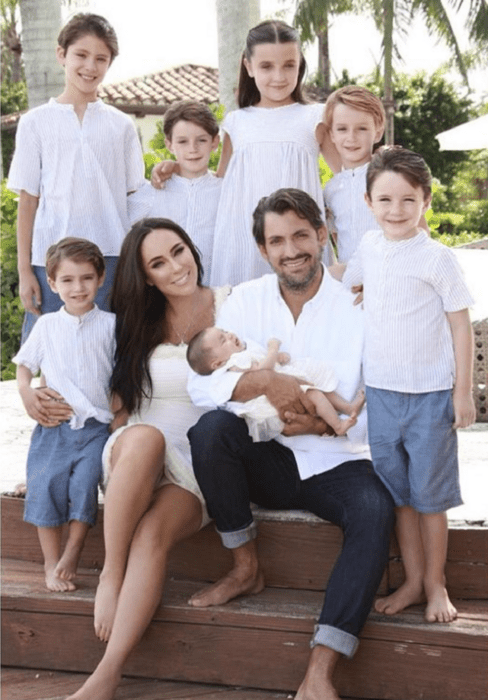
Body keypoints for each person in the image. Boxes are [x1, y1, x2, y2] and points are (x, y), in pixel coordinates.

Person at [187, 188, 395, 700]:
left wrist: (325, 426)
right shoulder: (245, 301)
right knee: (209, 431)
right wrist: (265, 386)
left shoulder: (359, 305)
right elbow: (201, 385)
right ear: (263, 249)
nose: (291, 249)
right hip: (269, 457)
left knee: (374, 511)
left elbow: (380, 397)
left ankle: (321, 671)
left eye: (301, 234)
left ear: (322, 235)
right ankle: (245, 567)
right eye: (277, 240)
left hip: (338, 458)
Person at [66, 218, 230, 700]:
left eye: (179, 251)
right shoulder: (135, 323)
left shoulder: (232, 303)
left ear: (192, 250)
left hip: (195, 466)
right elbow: (97, 388)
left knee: (154, 533)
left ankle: (107, 675)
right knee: (146, 438)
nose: (176, 267)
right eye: (158, 263)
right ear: (147, 277)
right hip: (136, 453)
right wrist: (34, 392)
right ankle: (111, 572)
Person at [342, 147, 476, 624]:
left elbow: (461, 326)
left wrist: (463, 393)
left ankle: (436, 583)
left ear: (426, 201)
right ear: (368, 201)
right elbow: (350, 281)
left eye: (407, 200)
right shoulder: (368, 247)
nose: (395, 210)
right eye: (385, 200)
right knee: (399, 496)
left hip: (430, 396)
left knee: (430, 498)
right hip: (381, 394)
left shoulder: (437, 258)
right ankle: (413, 581)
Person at [152, 19, 341, 286]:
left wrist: (382, 163)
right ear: (249, 66)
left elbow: (347, 176)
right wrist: (175, 167)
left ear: (300, 65)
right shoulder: (236, 122)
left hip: (298, 241)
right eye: (266, 66)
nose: (279, 76)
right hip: (242, 244)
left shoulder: (315, 117)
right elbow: (218, 183)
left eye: (289, 65)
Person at [7, 13, 145, 340]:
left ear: (110, 63)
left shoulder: (121, 125)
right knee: (48, 352)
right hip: (50, 262)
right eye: (81, 55)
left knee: (108, 353)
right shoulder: (35, 123)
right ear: (61, 55)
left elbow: (134, 197)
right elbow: (28, 201)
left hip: (110, 258)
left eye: (101, 59)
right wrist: (26, 271)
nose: (90, 66)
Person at [12, 238, 115, 592]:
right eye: (67, 280)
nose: (78, 287)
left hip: (96, 428)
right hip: (53, 426)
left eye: (86, 278)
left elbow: (120, 377)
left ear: (101, 279)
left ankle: (73, 552)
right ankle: (50, 562)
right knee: (45, 488)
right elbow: (24, 367)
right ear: (53, 284)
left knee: (84, 486)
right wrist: (26, 392)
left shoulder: (112, 326)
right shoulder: (47, 326)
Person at [187, 327, 365, 440]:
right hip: (276, 399)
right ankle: (338, 426)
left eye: (225, 332)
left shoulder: (243, 354)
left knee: (321, 387)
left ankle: (348, 408)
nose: (229, 335)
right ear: (217, 364)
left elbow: (263, 364)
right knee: (316, 395)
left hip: (285, 380)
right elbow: (264, 370)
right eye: (222, 340)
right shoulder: (235, 363)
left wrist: (277, 358)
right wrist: (274, 348)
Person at [127, 101, 222, 284]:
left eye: (201, 140)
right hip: (166, 295)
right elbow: (118, 225)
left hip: (214, 290)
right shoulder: (154, 191)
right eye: (183, 141)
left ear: (214, 142)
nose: (192, 149)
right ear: (169, 145)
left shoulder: (225, 191)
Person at [322, 85, 386, 263]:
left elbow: (420, 231)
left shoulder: (391, 176)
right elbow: (338, 239)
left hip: (391, 277)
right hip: (351, 283)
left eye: (362, 129)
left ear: (378, 132)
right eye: (342, 129)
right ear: (331, 134)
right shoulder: (331, 189)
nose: (351, 137)